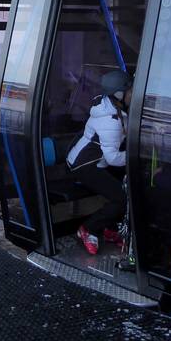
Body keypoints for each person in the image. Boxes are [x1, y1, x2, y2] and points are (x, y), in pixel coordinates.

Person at [66, 70, 131, 256]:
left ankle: (109, 229)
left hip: (96, 160)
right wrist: (135, 157)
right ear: (118, 95)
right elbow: (113, 158)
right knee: (121, 198)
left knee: (127, 186)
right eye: (130, 91)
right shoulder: (110, 120)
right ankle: (88, 229)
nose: (133, 95)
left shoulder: (113, 108)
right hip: (84, 164)